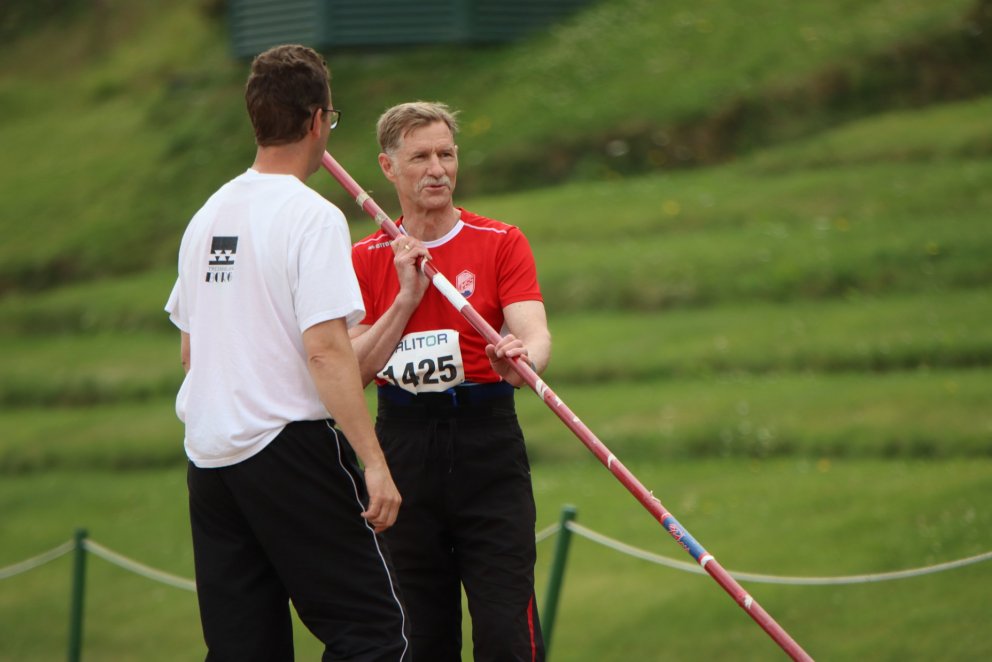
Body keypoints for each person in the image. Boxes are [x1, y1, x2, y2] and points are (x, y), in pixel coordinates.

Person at [164, 44, 409, 661]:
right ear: (317, 121)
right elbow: (326, 353)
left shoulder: (206, 216)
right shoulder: (312, 217)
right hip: (287, 445)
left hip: (211, 458)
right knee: (375, 635)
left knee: (244, 648)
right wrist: (373, 462)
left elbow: (193, 352)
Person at [350, 101, 552, 662]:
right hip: (405, 444)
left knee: (506, 634)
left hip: (487, 438)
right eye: (420, 157)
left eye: (447, 153)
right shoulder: (365, 259)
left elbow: (534, 332)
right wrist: (405, 299)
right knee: (420, 639)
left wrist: (522, 359)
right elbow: (353, 371)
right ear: (389, 169)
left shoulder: (500, 240)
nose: (437, 168)